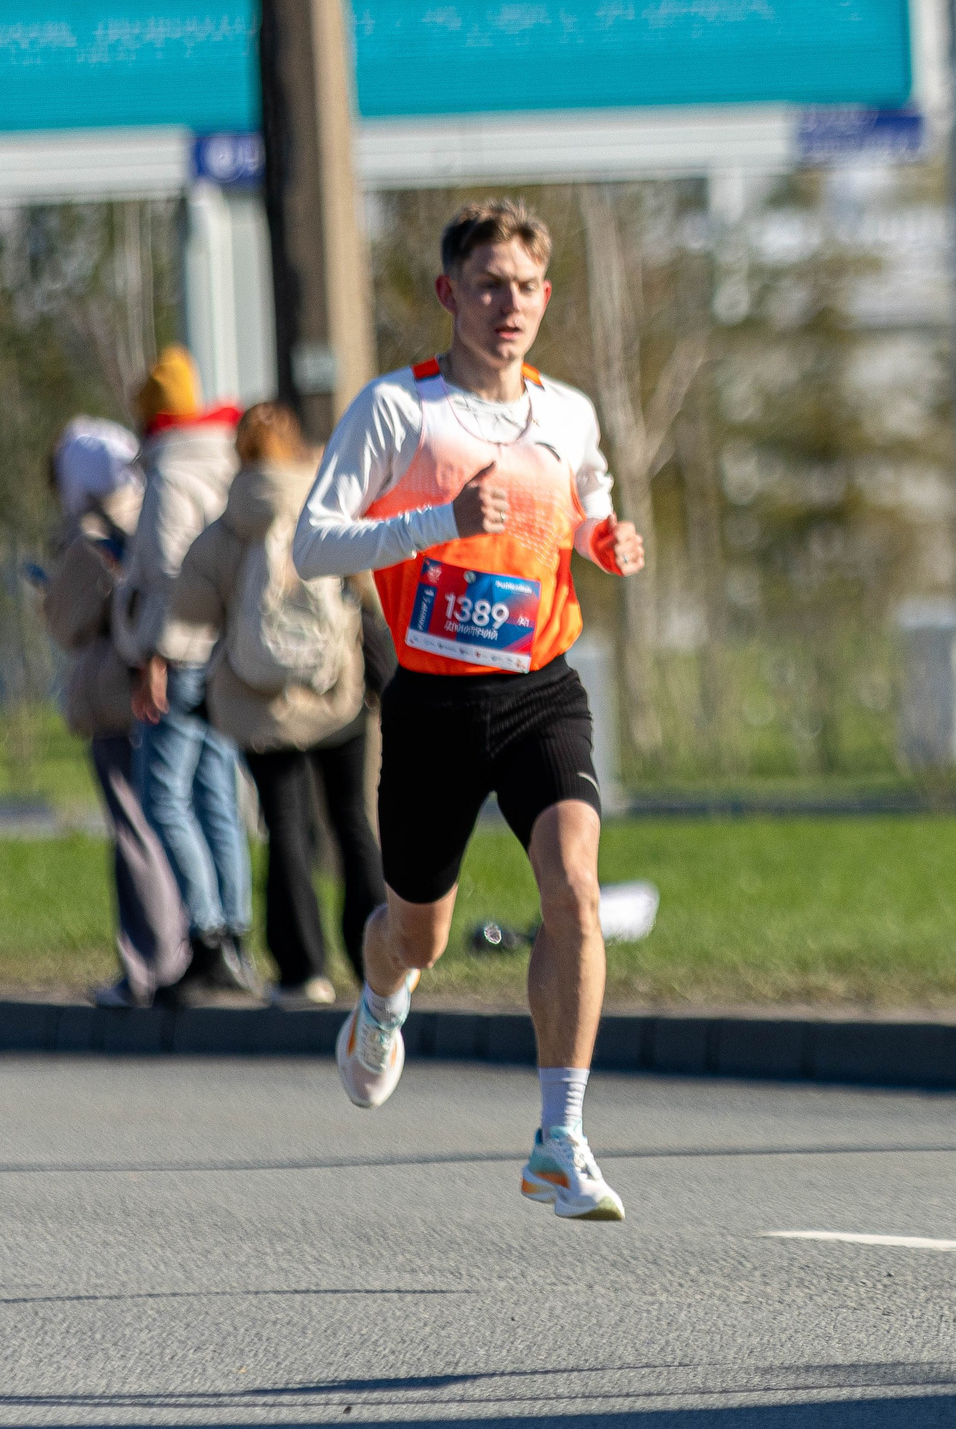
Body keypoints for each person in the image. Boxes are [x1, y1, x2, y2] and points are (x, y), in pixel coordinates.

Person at [294, 198, 645, 1221]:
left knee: (573, 888)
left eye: (528, 286)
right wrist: (436, 520)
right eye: (489, 284)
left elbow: (589, 502)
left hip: (542, 686)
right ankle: (381, 997)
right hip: (435, 704)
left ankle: (559, 1135)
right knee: (419, 933)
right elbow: (315, 541)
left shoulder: (567, 410)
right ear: (449, 293)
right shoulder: (399, 412)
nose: (510, 304)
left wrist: (604, 540)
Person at [170, 402, 384, 1008]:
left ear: (242, 453)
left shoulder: (230, 521)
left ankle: (301, 971)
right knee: (351, 823)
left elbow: (188, 607)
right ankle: (375, 965)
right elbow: (367, 583)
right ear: (295, 446)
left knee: (285, 829)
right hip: (335, 692)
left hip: (259, 703)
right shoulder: (330, 503)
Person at [119, 347, 257, 997]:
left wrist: (157, 657)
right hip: (224, 649)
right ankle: (234, 936)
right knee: (217, 798)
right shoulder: (225, 459)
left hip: (183, 656)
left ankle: (205, 937)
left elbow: (174, 574)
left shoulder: (171, 473)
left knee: (162, 796)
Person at [42, 418, 191, 1009]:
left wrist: (48, 593)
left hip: (110, 692)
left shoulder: (87, 536)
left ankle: (146, 963)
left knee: (131, 830)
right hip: (157, 687)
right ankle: (187, 946)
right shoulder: (147, 513)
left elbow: (68, 621)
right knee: (168, 816)